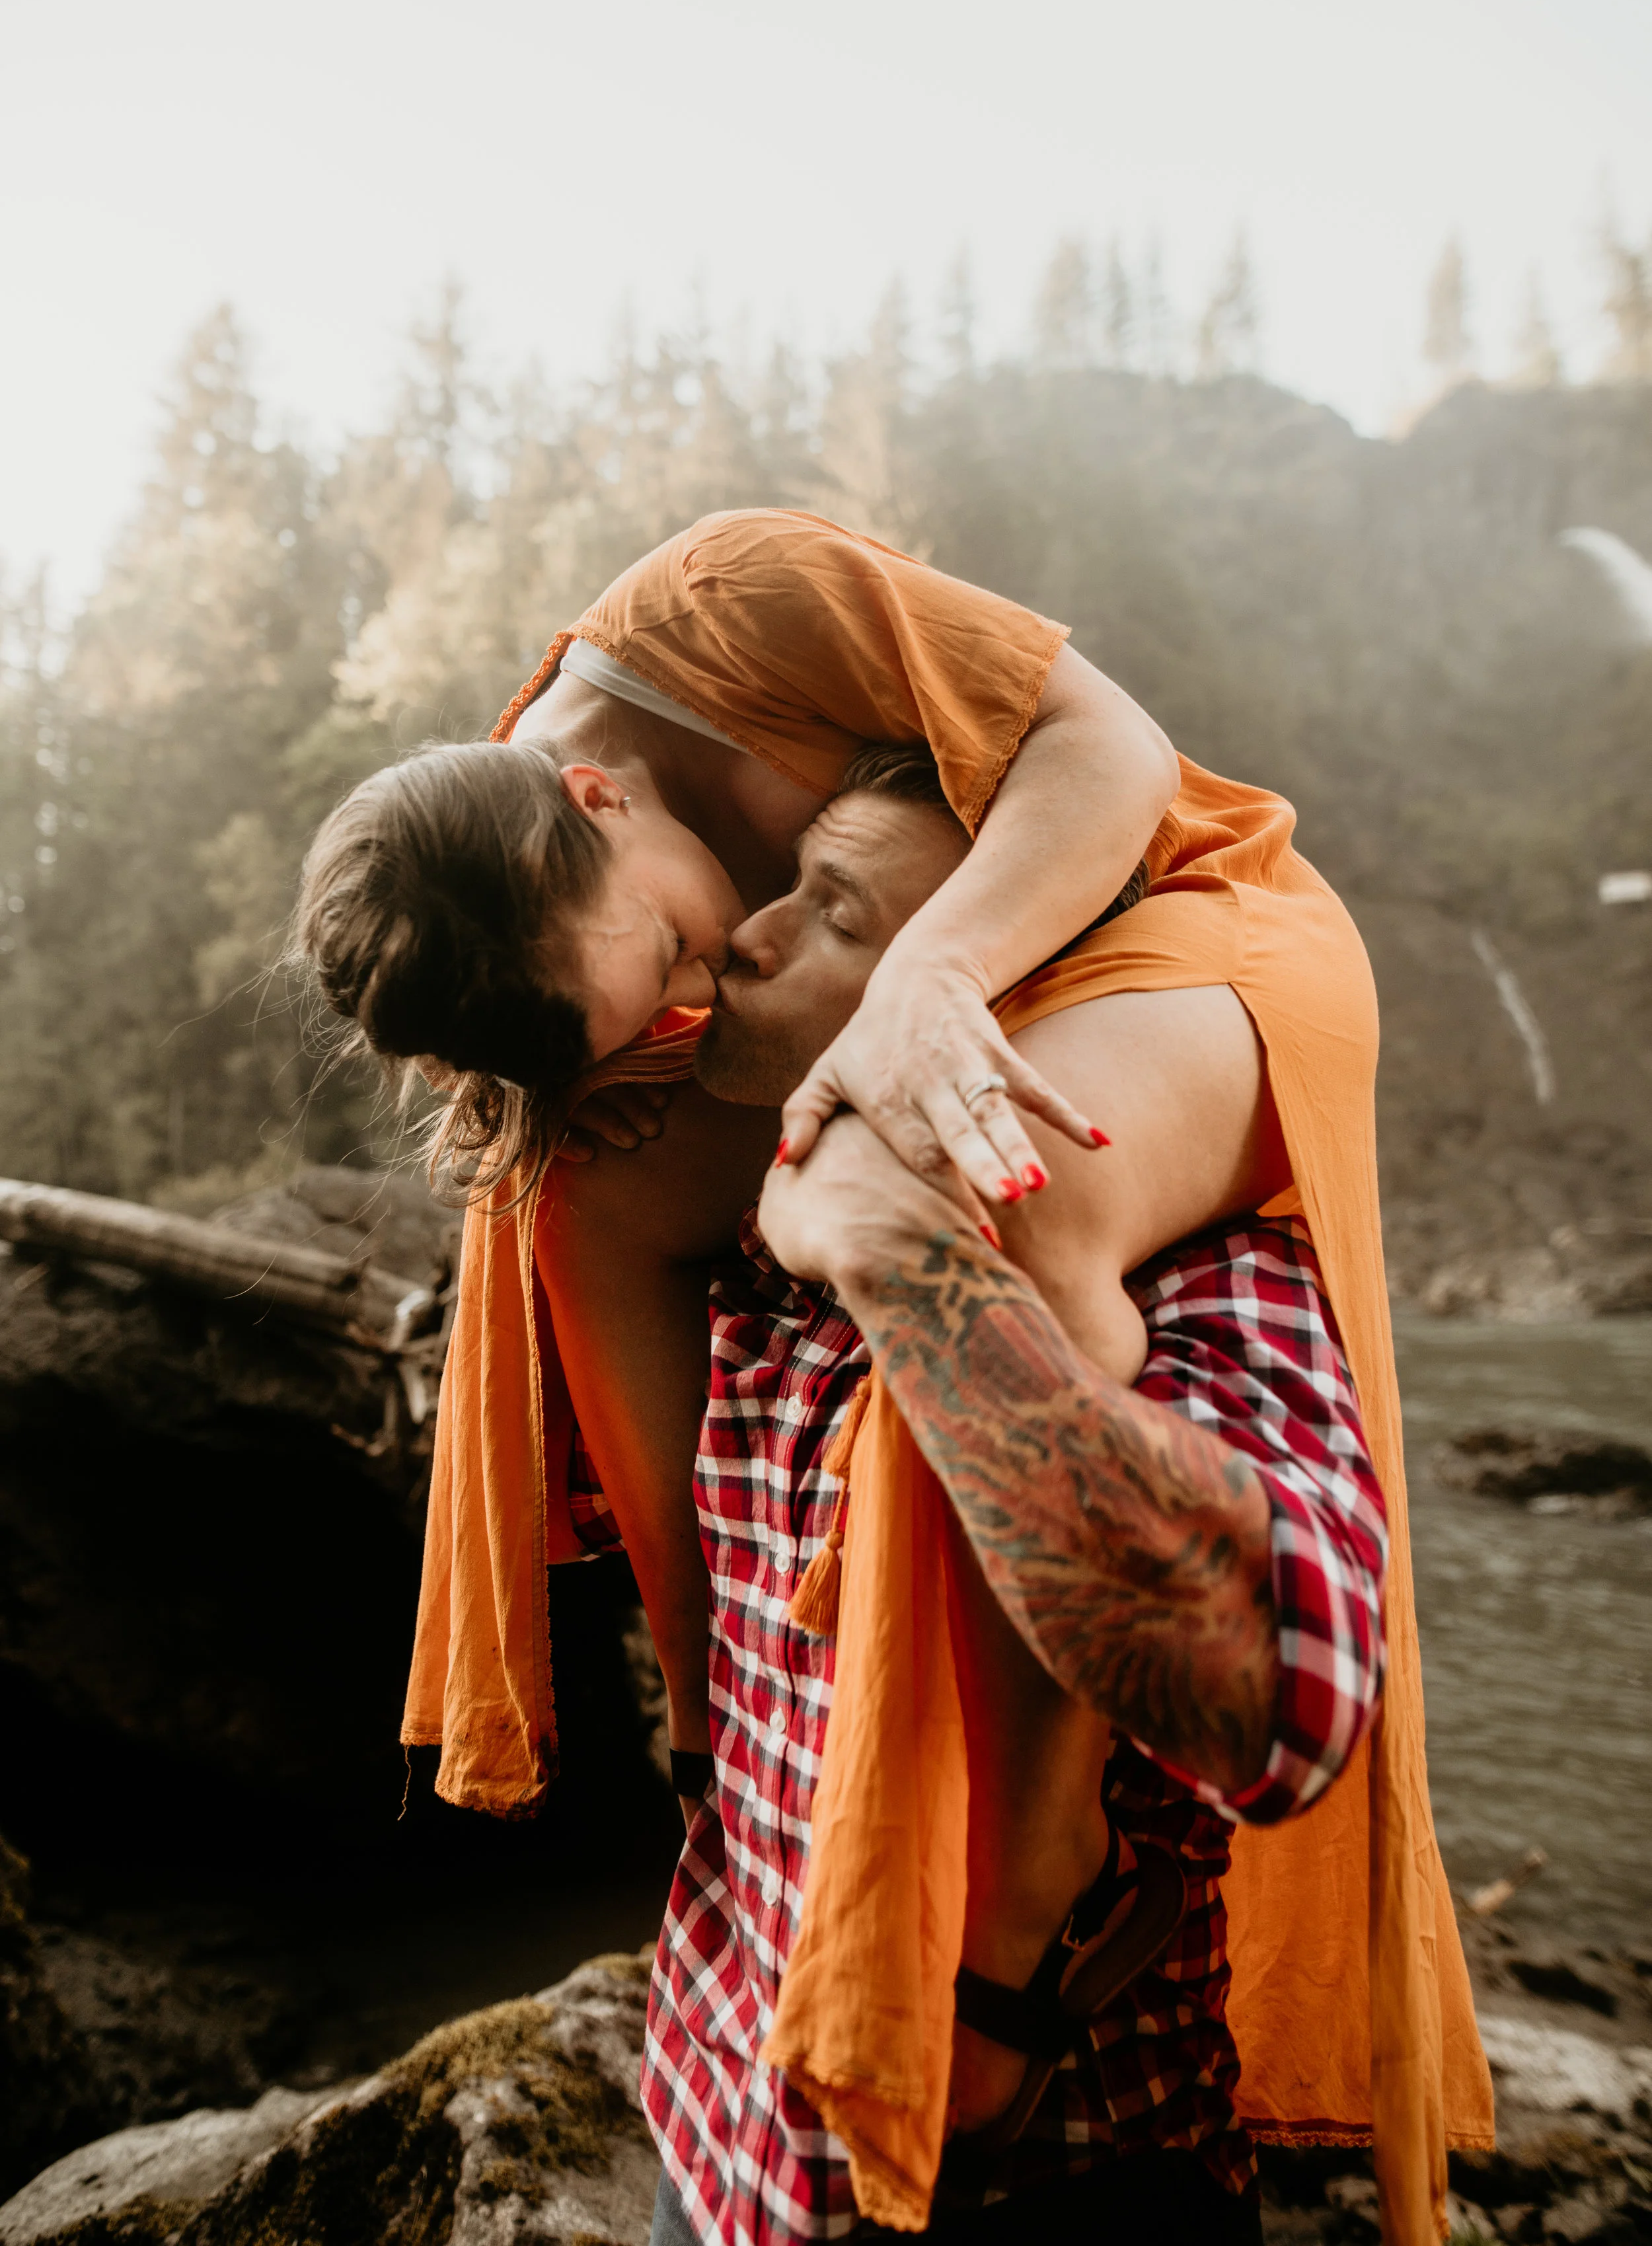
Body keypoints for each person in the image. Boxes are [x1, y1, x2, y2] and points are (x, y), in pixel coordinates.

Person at [295, 508, 1491, 2241]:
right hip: (874, 965)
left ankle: (1027, 1879)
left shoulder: (731, 598)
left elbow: (1109, 747)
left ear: (598, 797)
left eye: (682, 958)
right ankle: (713, 1734)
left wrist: (917, 982)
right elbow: (636, 1067)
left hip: (1149, 925)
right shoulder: (548, 912)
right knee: (574, 1182)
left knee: (960, 1181)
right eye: (648, 1013)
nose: (695, 1001)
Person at [640, 744, 1387, 2243]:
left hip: (1059, 2180)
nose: (754, 935)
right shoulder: (725, 1243)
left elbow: (1270, 1702)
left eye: (843, 919)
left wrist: (900, 1246)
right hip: (712, 2116)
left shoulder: (1198, 1269)